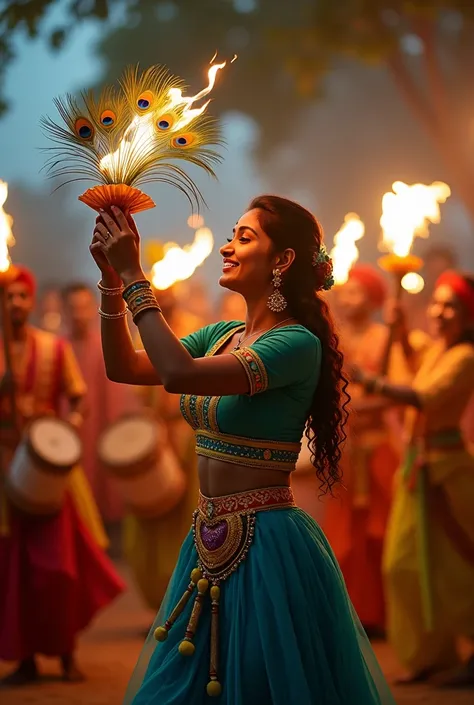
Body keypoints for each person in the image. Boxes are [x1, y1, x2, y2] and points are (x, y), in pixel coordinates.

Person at [91, 196, 396, 704]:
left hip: (268, 543)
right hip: (206, 536)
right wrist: (111, 281)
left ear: (283, 261)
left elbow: (179, 374)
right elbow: (124, 366)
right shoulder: (224, 335)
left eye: (244, 237)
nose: (227, 248)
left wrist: (136, 276)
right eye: (231, 235)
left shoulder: (295, 344)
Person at [0, 266, 125, 686]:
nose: (15, 304)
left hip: (51, 474)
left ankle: (68, 653)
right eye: (8, 298)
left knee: (60, 568)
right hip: (5, 472)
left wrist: (65, 431)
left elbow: (78, 399)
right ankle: (26, 658)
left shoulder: (53, 348)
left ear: (31, 302)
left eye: (22, 297)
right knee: (14, 572)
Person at [352, 269, 474, 687]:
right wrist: (400, 330)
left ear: (469, 316)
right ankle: (430, 655)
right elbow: (416, 363)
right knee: (403, 564)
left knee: (454, 568)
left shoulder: (465, 356)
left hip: (449, 473)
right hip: (419, 470)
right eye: (437, 303)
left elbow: (425, 395)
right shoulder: (439, 350)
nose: (439, 312)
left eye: (451, 305)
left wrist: (368, 380)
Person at [323, 264, 399, 637]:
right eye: (345, 291)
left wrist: (353, 407)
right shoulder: (334, 339)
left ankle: (384, 615)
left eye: (355, 292)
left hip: (377, 450)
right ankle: (353, 613)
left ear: (372, 300)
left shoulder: (385, 339)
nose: (347, 298)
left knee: (379, 534)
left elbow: (397, 392)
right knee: (344, 537)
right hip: (346, 452)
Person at [125, 283, 203, 612]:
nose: (164, 298)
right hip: (156, 439)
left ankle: (188, 600)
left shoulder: (196, 330)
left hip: (188, 440)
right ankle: (160, 601)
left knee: (189, 523)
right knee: (150, 521)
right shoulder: (143, 333)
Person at [62, 282, 136, 527]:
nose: (78, 314)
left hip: (100, 432)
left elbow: (117, 400)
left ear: (93, 308)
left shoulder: (105, 345)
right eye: (72, 308)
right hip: (66, 436)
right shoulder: (57, 347)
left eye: (83, 307)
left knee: (104, 491)